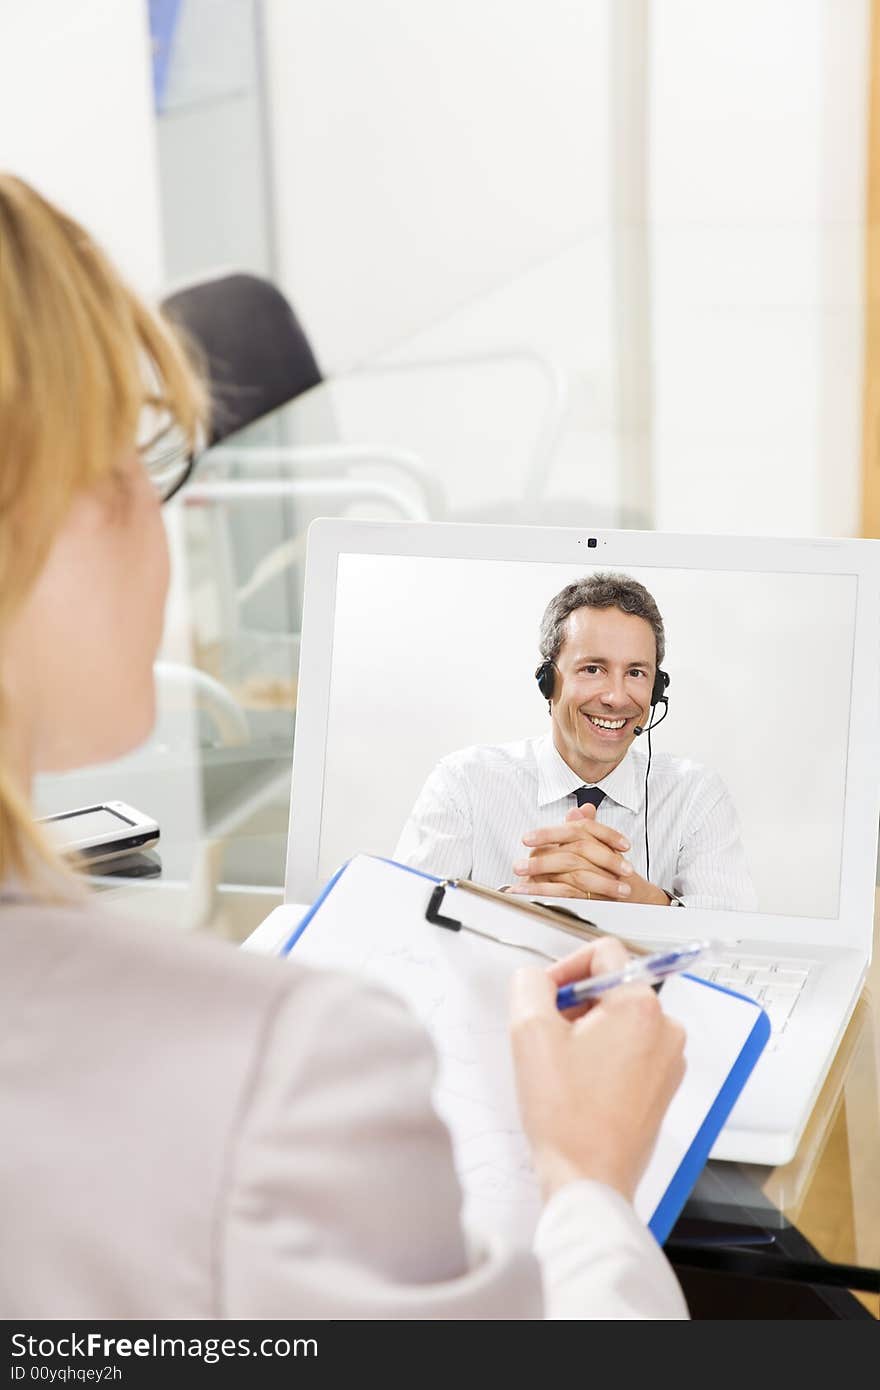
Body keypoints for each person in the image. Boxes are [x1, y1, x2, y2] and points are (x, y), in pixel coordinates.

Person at [0, 175, 688, 1320]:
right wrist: (585, 1178)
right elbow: (413, 899)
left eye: (637, 678)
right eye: (130, 457)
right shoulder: (286, 1064)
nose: (157, 512)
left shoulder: (689, 795)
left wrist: (648, 891)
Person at [395, 574, 756, 912]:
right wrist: (516, 905)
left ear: (656, 690)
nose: (616, 697)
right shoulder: (463, 783)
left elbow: (735, 945)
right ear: (547, 681)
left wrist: (639, 898)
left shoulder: (696, 795)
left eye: (635, 673)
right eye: (593, 669)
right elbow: (401, 921)